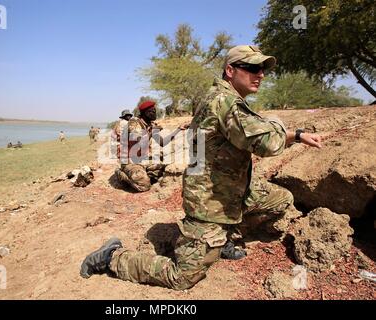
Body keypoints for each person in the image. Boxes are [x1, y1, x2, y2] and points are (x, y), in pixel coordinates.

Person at [80, 45, 322, 290]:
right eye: (252, 68)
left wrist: (297, 135)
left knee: (280, 200)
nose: (260, 74)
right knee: (182, 278)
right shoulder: (225, 102)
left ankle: (224, 236)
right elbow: (266, 142)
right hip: (209, 201)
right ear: (230, 70)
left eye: (262, 69)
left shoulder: (226, 100)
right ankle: (112, 256)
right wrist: (284, 128)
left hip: (231, 191)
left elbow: (256, 133)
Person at [115, 100, 188, 192]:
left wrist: (178, 129)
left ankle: (140, 172)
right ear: (146, 113)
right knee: (144, 185)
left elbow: (162, 142)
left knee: (164, 170)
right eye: (153, 111)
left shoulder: (151, 125)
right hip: (130, 160)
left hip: (143, 159)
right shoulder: (134, 123)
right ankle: (121, 174)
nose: (155, 113)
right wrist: (152, 131)